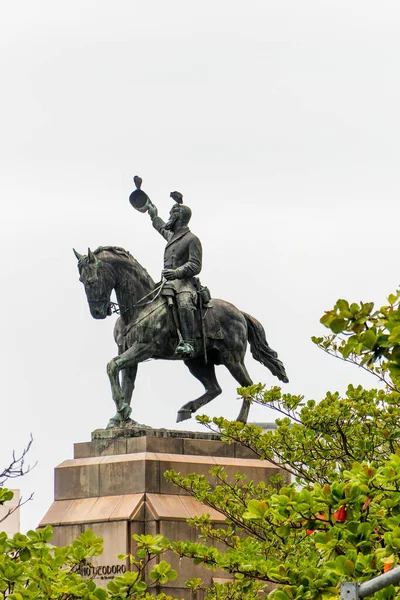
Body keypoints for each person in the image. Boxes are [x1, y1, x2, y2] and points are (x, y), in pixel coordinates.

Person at [147, 193, 202, 359]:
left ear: (178, 217)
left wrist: (176, 272)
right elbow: (161, 227)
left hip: (185, 284)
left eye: (171, 214)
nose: (168, 217)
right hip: (169, 283)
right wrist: (153, 214)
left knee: (184, 303)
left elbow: (195, 265)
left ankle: (189, 342)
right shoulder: (173, 237)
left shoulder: (192, 239)